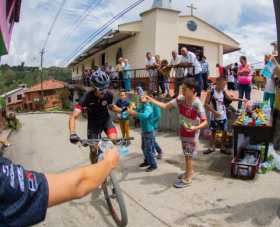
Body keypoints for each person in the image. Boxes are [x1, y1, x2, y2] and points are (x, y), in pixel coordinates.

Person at [0, 147, 119, 226]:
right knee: (94, 151)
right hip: (93, 131)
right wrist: (109, 162)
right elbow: (78, 184)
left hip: (105, 125)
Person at [147, 78, 207, 188]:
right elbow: (165, 106)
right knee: (186, 154)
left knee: (188, 155)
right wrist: (151, 100)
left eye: (184, 89)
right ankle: (189, 171)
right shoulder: (180, 99)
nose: (182, 91)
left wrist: (195, 127)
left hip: (192, 133)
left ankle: (188, 178)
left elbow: (205, 121)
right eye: (181, 89)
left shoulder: (197, 103)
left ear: (192, 90)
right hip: (183, 131)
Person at [69, 69, 122, 163]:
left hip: (106, 121)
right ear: (94, 87)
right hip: (93, 125)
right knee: (93, 150)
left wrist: (124, 110)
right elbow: (73, 116)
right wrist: (73, 133)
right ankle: (94, 166)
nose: (104, 91)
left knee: (114, 141)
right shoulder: (87, 97)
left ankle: (107, 164)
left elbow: (111, 107)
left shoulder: (109, 94)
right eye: (101, 89)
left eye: (106, 87)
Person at [204, 76, 246, 154]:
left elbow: (229, 98)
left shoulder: (223, 91)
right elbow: (206, 104)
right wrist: (214, 112)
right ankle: (211, 147)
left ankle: (223, 148)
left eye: (225, 85)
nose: (224, 86)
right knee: (213, 132)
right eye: (223, 84)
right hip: (214, 116)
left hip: (223, 115)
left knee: (225, 131)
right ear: (218, 83)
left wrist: (241, 99)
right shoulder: (211, 92)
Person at [128, 87, 157, 172]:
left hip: (149, 131)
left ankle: (153, 164)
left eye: (143, 97)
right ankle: (147, 161)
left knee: (148, 149)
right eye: (140, 96)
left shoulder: (148, 107)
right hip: (144, 131)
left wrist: (134, 113)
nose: (141, 97)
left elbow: (144, 115)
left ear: (148, 99)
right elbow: (137, 110)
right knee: (143, 147)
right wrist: (132, 108)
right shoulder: (142, 105)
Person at [150, 94, 163, 159]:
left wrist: (151, 121)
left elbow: (158, 116)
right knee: (151, 140)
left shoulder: (155, 105)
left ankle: (156, 152)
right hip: (148, 126)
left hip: (153, 126)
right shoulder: (148, 104)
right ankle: (157, 152)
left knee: (151, 140)